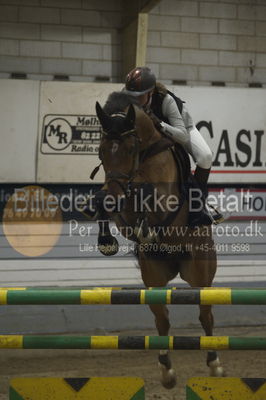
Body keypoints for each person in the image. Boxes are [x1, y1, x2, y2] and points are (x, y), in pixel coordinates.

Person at [123, 66, 223, 226]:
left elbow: (182, 136)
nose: (135, 99)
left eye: (139, 96)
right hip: (155, 137)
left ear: (151, 92)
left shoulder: (166, 101)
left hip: (181, 129)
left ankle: (199, 205)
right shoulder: (129, 97)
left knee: (205, 157)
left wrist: (158, 122)